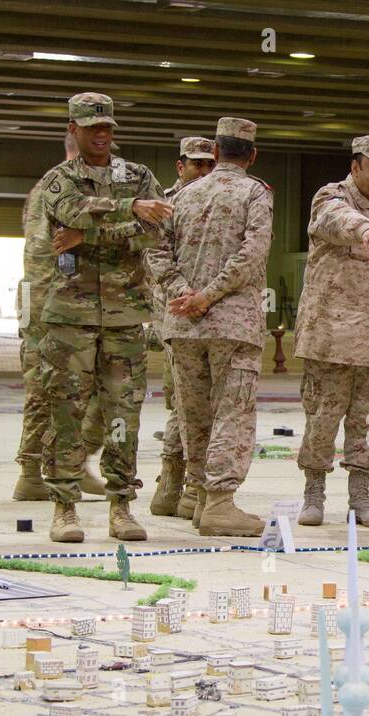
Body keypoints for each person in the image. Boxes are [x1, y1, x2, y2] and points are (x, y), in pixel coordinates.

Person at [38, 92, 171, 543]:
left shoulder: (137, 175)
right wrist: (129, 211)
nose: (102, 134)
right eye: (92, 127)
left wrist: (88, 234)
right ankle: (64, 507)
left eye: (108, 127)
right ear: (72, 129)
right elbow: (69, 212)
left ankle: (121, 506)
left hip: (125, 314)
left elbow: (155, 232)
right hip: (70, 314)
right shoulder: (59, 179)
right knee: (67, 411)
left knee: (123, 414)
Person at [143, 117, 272, 537]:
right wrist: (209, 295)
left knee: (193, 414)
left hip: (182, 324)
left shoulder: (183, 195)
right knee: (231, 412)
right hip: (231, 324)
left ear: (215, 153)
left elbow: (156, 253)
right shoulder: (255, 193)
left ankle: (197, 497)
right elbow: (253, 254)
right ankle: (219, 502)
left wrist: (185, 293)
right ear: (251, 155)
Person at [294, 136, 369, 528]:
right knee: (322, 418)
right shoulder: (331, 198)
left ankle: (360, 496)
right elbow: (336, 220)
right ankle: (314, 494)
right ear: (356, 166)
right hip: (333, 338)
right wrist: (364, 229)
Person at [13, 131, 113, 503]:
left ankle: (75, 463)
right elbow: (55, 247)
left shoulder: (51, 186)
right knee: (46, 387)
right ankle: (31, 473)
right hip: (51, 300)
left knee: (86, 387)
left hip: (62, 298)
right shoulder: (62, 186)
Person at [149, 135, 214, 519]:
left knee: (191, 402)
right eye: (196, 164)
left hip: (207, 312)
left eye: (209, 164)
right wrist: (183, 295)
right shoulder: (166, 205)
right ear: (181, 166)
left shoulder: (218, 200)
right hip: (174, 312)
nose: (203, 171)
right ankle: (182, 483)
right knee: (185, 402)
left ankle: (174, 486)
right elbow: (153, 257)